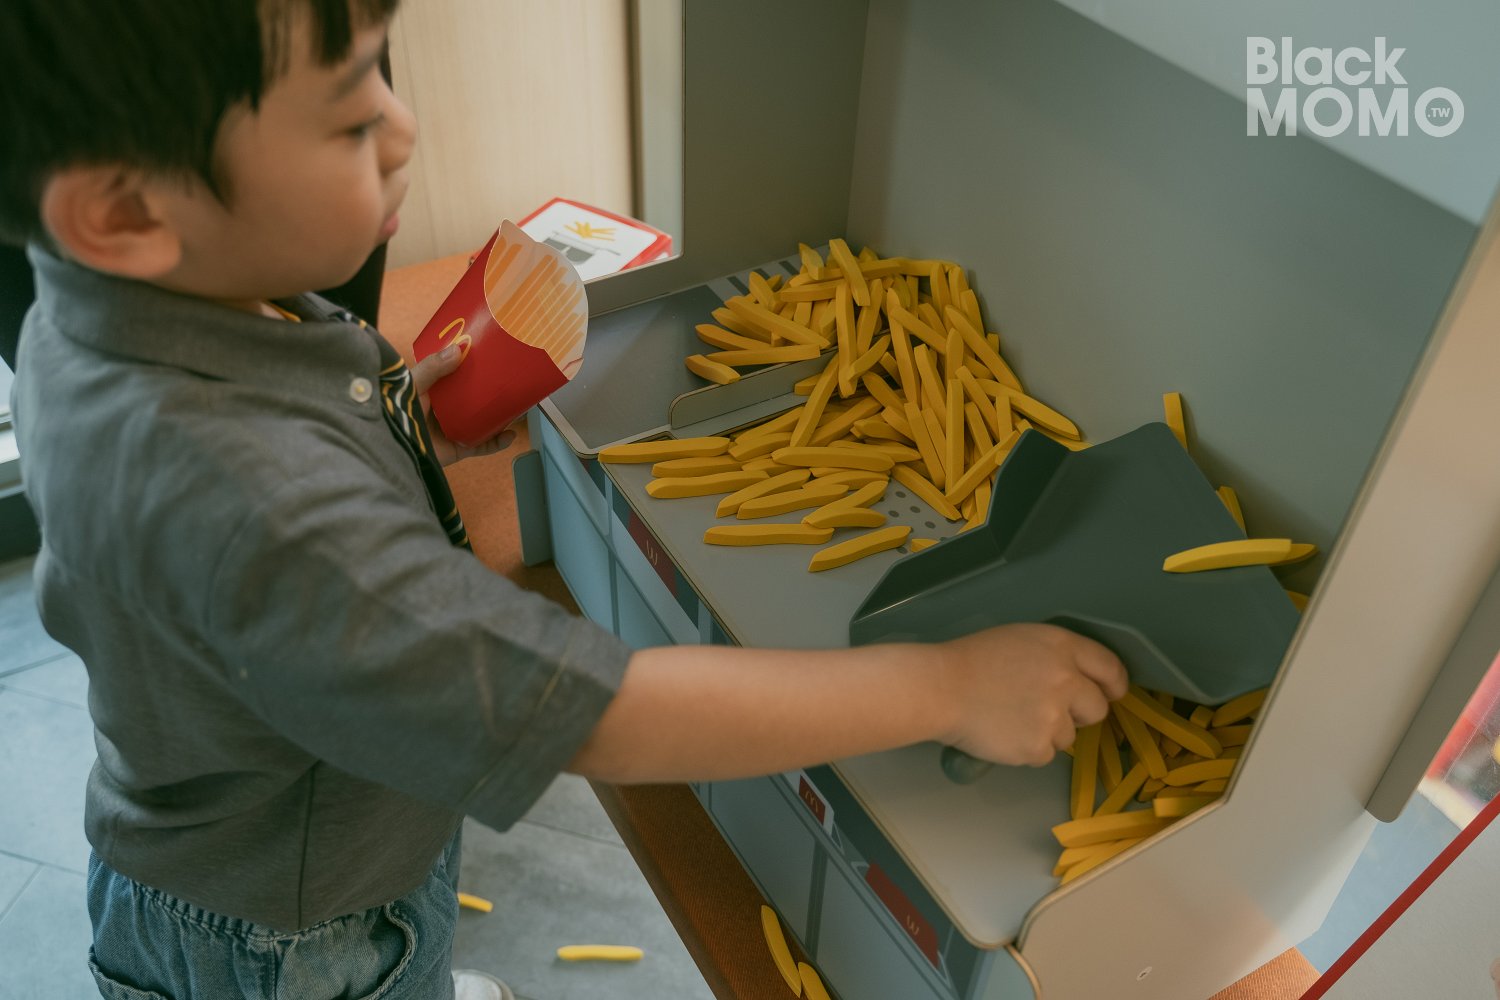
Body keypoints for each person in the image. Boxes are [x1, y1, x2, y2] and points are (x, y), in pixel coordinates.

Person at [0, 1, 1127, 997]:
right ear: (123, 211)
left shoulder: (95, 318)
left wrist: (400, 427)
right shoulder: (261, 510)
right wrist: (944, 685)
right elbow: (593, 713)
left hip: (248, 836)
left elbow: (255, 500)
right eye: (348, 120)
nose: (403, 129)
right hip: (298, 939)